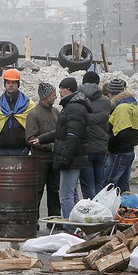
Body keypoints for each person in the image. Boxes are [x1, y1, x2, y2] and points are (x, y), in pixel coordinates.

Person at [53, 77, 91, 221]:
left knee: (65, 195)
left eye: (62, 88)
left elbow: (73, 136)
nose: (60, 91)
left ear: (68, 89)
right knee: (72, 193)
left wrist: (64, 158)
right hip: (75, 157)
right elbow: (63, 131)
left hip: (71, 159)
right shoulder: (72, 105)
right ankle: (78, 225)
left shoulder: (74, 107)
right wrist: (42, 138)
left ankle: (71, 227)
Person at [26, 82, 61, 219]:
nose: (55, 97)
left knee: (54, 190)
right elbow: (30, 139)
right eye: (53, 95)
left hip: (54, 160)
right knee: (37, 190)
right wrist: (50, 146)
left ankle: (54, 219)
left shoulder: (55, 112)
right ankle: (33, 220)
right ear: (45, 96)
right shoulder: (34, 114)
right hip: (40, 160)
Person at [104, 78, 138, 192]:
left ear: (110, 93)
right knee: (123, 186)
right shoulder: (131, 105)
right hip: (128, 151)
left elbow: (122, 133)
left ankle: (106, 209)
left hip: (119, 153)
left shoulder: (121, 108)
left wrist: (109, 144)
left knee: (107, 185)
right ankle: (126, 208)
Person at [77, 71, 110, 199]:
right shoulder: (106, 101)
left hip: (85, 148)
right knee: (99, 184)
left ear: (83, 83)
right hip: (101, 147)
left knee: (87, 185)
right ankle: (100, 209)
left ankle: (91, 211)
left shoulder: (79, 100)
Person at [0, 69, 35, 156]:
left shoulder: (29, 105)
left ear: (18, 84)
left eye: (14, 82)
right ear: (4, 84)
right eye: (8, 82)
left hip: (22, 150)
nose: (11, 85)